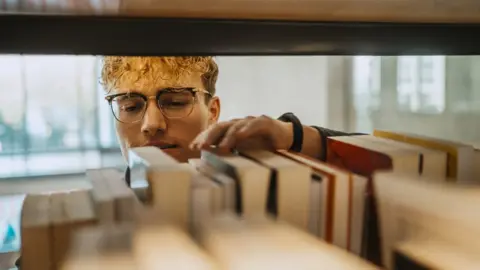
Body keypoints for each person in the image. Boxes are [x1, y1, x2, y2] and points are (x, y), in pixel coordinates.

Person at [100, 56, 356, 171]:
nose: (151, 125)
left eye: (175, 102)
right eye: (131, 107)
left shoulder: (261, 187)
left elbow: (391, 161)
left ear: (212, 112)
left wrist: (295, 137)